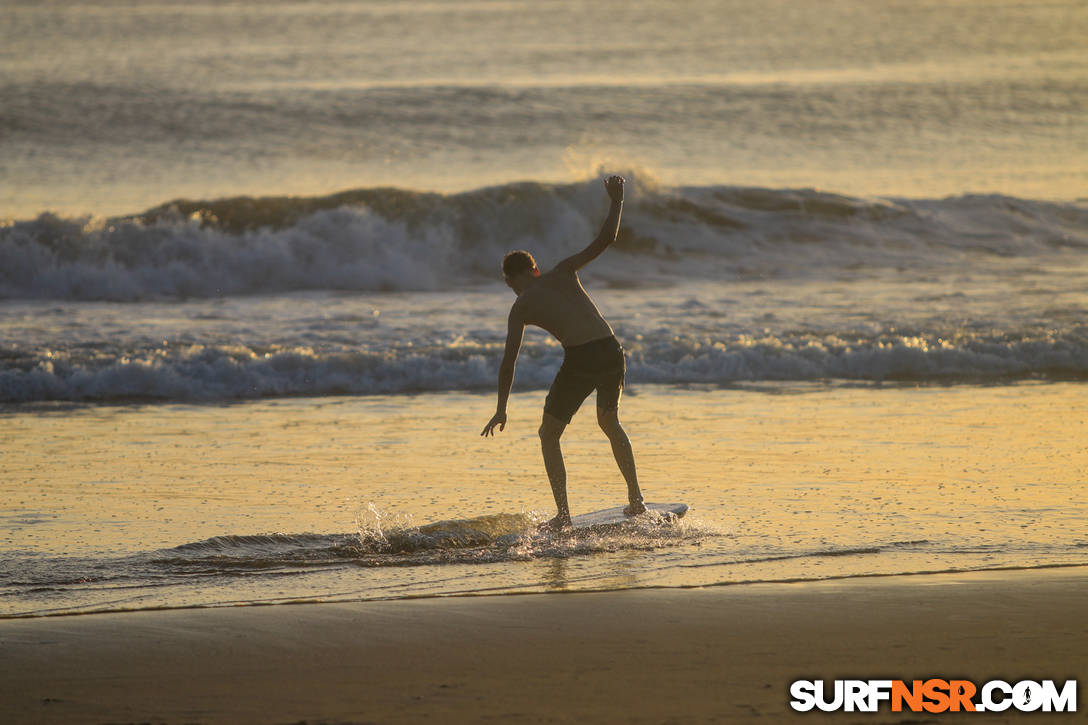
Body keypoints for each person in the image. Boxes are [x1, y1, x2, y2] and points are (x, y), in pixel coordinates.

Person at [480, 175, 646, 530]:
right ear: (535, 270)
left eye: (511, 283)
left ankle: (564, 516)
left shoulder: (520, 308)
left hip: (583, 359)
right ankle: (636, 501)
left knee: (549, 434)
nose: (513, 289)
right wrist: (617, 200)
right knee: (609, 422)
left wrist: (501, 408)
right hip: (610, 348)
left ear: (513, 280)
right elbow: (607, 239)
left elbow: (509, 362)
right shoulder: (564, 271)